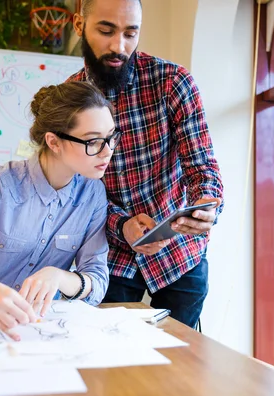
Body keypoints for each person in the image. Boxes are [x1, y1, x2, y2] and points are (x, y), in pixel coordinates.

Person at [68, 0, 224, 328]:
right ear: (79, 25)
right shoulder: (70, 99)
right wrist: (121, 224)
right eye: (106, 30)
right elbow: (74, 192)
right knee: (113, 367)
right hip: (111, 258)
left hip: (180, 253)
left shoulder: (173, 82)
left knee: (179, 363)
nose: (118, 46)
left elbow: (203, 167)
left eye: (130, 33)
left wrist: (207, 206)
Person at [0, 81, 120, 340]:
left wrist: (59, 277)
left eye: (111, 137)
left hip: (31, 332)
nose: (107, 151)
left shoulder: (92, 194)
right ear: (54, 142)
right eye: (94, 141)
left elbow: (97, 282)